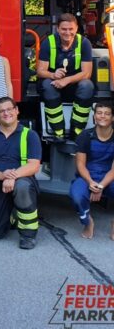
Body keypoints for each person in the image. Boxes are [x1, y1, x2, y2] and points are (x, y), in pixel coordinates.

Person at [0, 97, 42, 250]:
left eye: (9, 109)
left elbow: (33, 166)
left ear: (16, 111)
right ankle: (12, 215)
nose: (6, 113)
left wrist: (13, 176)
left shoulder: (30, 135)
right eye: (1, 111)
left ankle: (28, 235)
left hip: (22, 182)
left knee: (22, 187)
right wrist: (1, 176)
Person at [37, 13, 94, 140]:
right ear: (58, 29)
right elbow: (40, 71)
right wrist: (53, 75)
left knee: (87, 85)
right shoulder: (48, 42)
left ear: (76, 28)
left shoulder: (84, 43)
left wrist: (67, 80)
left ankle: (77, 130)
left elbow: (87, 73)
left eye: (71, 29)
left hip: (73, 86)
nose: (67, 32)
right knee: (46, 85)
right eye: (64, 29)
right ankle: (58, 131)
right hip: (54, 85)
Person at [69, 101, 114, 240]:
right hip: (87, 177)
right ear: (94, 117)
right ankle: (88, 222)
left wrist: (100, 186)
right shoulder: (85, 136)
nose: (102, 116)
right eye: (99, 113)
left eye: (107, 113)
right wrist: (91, 182)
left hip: (109, 177)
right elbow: (80, 165)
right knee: (76, 195)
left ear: (113, 118)